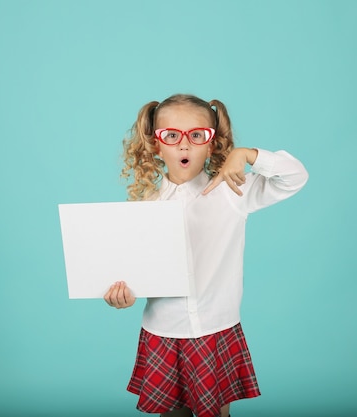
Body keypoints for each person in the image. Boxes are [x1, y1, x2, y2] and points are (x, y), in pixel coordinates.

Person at [104, 94, 308, 417]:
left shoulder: (233, 192)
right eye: (171, 136)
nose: (184, 146)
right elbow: (140, 275)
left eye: (197, 135)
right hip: (164, 333)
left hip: (216, 330)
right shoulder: (147, 208)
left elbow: (296, 176)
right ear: (157, 146)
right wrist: (125, 295)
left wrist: (248, 154)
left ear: (211, 145)